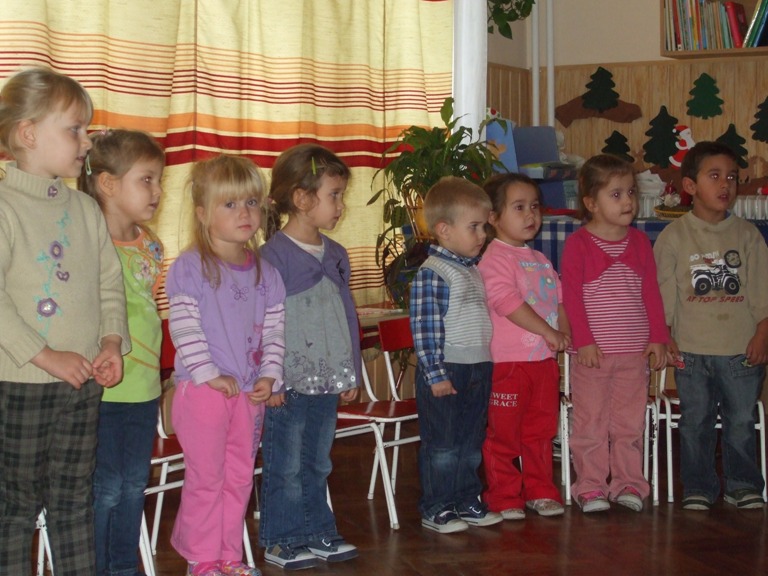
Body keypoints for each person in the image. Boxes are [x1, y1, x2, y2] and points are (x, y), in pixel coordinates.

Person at [0, 67, 129, 576]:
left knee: (74, 502)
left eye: (86, 129)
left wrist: (111, 341)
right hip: (21, 383)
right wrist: (46, 355)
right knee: (14, 507)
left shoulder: (85, 208)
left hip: (82, 384)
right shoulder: (4, 207)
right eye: (74, 129)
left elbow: (109, 284)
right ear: (28, 134)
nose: (87, 140)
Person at [166, 154, 286, 576]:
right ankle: (201, 560)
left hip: (248, 394)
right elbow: (184, 328)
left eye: (252, 202)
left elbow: (275, 332)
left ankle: (229, 557)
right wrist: (209, 375)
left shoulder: (267, 274)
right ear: (202, 213)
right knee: (207, 478)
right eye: (230, 204)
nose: (244, 213)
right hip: (204, 392)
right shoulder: (191, 267)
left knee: (239, 477)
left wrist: (270, 375)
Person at [258, 143, 360, 570]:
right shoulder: (271, 257)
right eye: (334, 195)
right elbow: (260, 324)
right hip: (288, 381)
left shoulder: (336, 254)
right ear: (301, 199)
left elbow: (348, 314)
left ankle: (318, 530)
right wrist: (270, 378)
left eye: (341, 195)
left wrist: (352, 371)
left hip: (328, 378)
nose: (340, 205)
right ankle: (282, 538)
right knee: (285, 463)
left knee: (318, 461)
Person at [654, 141, 768, 511]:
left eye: (732, 177)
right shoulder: (674, 236)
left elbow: (762, 290)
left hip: (740, 351)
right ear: (690, 186)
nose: (725, 184)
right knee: (695, 422)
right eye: (714, 176)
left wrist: (762, 332)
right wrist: (665, 334)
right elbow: (663, 293)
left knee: (741, 421)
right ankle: (698, 486)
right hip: (691, 350)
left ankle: (742, 484)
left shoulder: (748, 235)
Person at [79, 129, 165, 576]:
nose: (158, 190)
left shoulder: (151, 244)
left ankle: (123, 567)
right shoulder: (85, 245)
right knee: (106, 488)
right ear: (108, 184)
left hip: (144, 389)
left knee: (133, 486)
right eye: (146, 179)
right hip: (104, 391)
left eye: (159, 180)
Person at [561, 154, 668, 513]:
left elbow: (651, 293)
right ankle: (590, 486)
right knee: (590, 424)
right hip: (593, 355)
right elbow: (572, 298)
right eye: (617, 194)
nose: (628, 202)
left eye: (631, 192)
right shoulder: (578, 244)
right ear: (591, 203)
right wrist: (584, 342)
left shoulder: (639, 242)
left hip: (633, 355)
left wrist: (657, 337)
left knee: (628, 425)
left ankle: (628, 483)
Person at [409, 176, 503, 534]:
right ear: (444, 230)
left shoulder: (471, 269)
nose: (482, 235)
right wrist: (435, 374)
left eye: (484, 227)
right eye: (474, 227)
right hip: (446, 369)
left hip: (477, 367)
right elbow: (425, 330)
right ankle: (438, 506)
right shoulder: (433, 273)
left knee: (470, 442)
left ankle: (466, 499)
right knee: (443, 445)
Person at [479, 173, 570, 521]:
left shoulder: (540, 259)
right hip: (509, 364)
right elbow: (507, 302)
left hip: (543, 363)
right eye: (518, 207)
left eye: (535, 206)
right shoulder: (494, 258)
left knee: (540, 431)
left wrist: (563, 332)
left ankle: (540, 490)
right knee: (503, 435)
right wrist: (548, 331)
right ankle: (503, 495)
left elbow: (559, 301)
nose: (530, 214)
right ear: (493, 216)